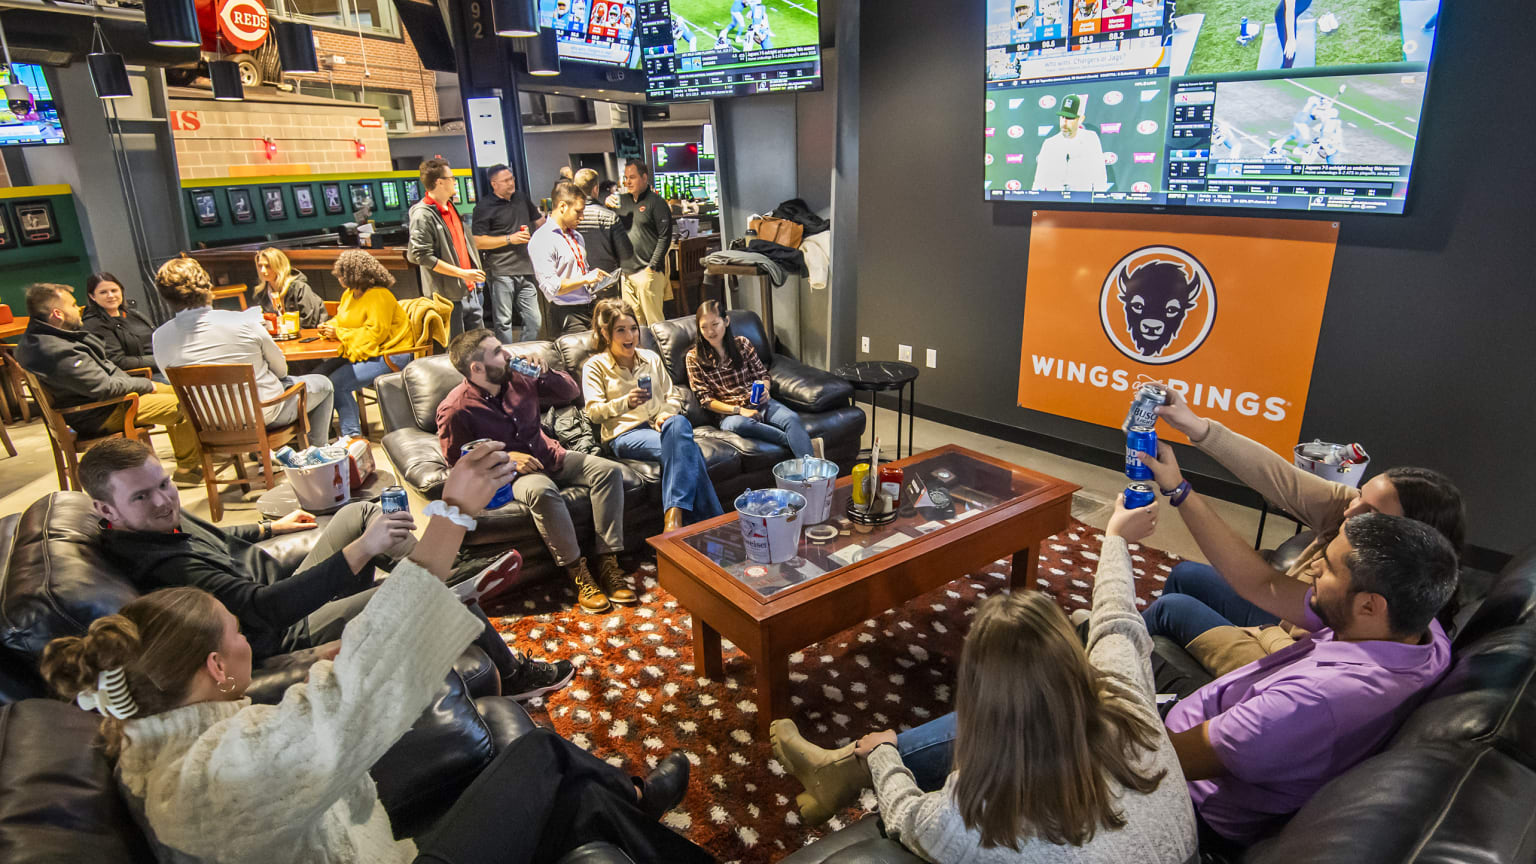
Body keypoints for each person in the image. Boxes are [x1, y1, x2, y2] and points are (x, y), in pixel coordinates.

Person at [43, 446, 710, 864]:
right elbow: (365, 684)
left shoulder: (154, 735)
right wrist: (450, 513)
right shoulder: (225, 773)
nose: (243, 637)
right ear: (218, 668)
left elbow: (303, 711)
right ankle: (631, 795)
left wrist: (318, 659)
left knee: (572, 793)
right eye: (234, 635)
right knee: (538, 754)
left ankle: (630, 801)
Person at [771, 496, 1198, 863]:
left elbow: (907, 815)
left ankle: (844, 770)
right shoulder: (1131, 707)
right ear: (1074, 660)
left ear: (976, 697)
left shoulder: (976, 820)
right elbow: (1116, 617)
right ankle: (838, 771)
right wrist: (1116, 538)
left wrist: (882, 753)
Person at [1139, 441, 1457, 849]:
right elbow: (1261, 582)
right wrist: (1179, 488)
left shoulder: (1309, 703)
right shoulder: (1418, 630)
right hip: (1207, 721)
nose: (1313, 570)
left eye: (1326, 572)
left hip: (1185, 798)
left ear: (1368, 605)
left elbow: (1157, 762)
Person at [79, 437, 572, 700]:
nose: (165, 500)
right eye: (143, 496)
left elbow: (218, 535)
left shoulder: (156, 519)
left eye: (164, 484)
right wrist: (360, 552)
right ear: (107, 511)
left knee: (358, 512)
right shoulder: (163, 568)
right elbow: (261, 610)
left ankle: (447, 563)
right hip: (280, 626)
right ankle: (512, 670)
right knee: (410, 583)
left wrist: (270, 528)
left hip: (273, 580)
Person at [1140, 384, 1465, 678]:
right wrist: (1196, 425)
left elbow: (1265, 587)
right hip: (1285, 622)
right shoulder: (1352, 515)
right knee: (1186, 575)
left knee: (1173, 608)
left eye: (1372, 513)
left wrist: (1179, 490)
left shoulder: (1371, 595)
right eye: (1359, 495)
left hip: (1288, 656)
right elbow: (1277, 476)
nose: (1351, 510)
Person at [438, 328, 632, 614]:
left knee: (609, 472)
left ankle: (607, 561)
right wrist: (505, 458)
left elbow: (571, 392)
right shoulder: (455, 409)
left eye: (501, 347)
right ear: (476, 368)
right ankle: (578, 573)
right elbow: (457, 464)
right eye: (496, 353)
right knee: (542, 491)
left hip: (550, 454)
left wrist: (545, 372)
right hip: (516, 475)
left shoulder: (519, 375)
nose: (506, 354)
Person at [15, 282, 202, 483]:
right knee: (185, 404)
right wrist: (147, 385)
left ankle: (199, 451)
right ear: (57, 314)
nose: (79, 309)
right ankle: (188, 470)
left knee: (184, 392)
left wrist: (141, 385)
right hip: (101, 412)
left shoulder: (39, 338)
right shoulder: (55, 350)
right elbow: (103, 388)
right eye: (72, 305)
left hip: (102, 403)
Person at [151, 257, 335, 448]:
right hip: (264, 414)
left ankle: (270, 457)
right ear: (208, 287)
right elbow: (281, 370)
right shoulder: (243, 322)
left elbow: (174, 383)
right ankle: (317, 455)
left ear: (165, 297)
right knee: (323, 384)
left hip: (209, 423)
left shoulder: (160, 337)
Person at [583, 299, 721, 532]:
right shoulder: (595, 366)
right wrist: (625, 402)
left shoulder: (651, 358)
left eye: (634, 328)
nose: (630, 336)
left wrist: (664, 415)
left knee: (678, 425)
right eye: (621, 330)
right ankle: (712, 525)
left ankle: (676, 523)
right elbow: (594, 413)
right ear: (606, 333)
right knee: (690, 451)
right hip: (625, 435)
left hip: (662, 429)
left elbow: (673, 397)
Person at [686, 300, 814, 459]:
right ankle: (797, 445)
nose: (710, 331)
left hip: (759, 402)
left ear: (726, 321)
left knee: (792, 419)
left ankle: (811, 476)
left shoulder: (742, 344)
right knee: (741, 425)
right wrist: (739, 410)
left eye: (715, 324)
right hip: (730, 415)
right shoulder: (694, 357)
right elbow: (705, 400)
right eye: (703, 327)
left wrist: (765, 390)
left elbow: (763, 375)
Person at [313, 250, 417, 439]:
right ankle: (320, 435)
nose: (338, 278)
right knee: (318, 376)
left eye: (342, 273)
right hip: (364, 350)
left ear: (355, 274)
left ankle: (352, 437)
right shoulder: (349, 295)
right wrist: (329, 326)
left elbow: (375, 333)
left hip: (390, 354)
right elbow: (342, 320)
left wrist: (339, 333)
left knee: (336, 384)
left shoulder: (380, 295)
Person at [408, 157, 487, 338]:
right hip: (447, 296)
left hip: (469, 289)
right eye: (451, 178)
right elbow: (420, 255)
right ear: (440, 182)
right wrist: (461, 273)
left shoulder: (450, 206)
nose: (454, 182)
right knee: (455, 350)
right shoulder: (422, 214)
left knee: (480, 345)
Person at [472, 164, 545, 343]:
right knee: (503, 322)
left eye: (511, 179)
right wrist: (509, 239)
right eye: (505, 181)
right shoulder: (484, 207)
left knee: (534, 320)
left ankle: (525, 354)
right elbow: (477, 241)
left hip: (525, 269)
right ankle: (505, 360)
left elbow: (540, 222)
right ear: (494, 184)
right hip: (501, 271)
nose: (511, 183)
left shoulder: (521, 198)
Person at [530, 180, 609, 336]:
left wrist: (594, 282)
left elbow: (579, 272)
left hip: (589, 307)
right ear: (562, 207)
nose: (582, 216)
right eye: (578, 211)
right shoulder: (542, 239)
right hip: (566, 313)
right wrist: (586, 279)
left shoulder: (577, 236)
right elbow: (553, 287)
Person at [609, 159, 672, 327]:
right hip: (626, 272)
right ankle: (642, 353)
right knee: (633, 324)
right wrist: (607, 202)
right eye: (625, 177)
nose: (628, 181)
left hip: (647, 271)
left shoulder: (656, 203)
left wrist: (652, 266)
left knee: (655, 324)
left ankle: (661, 353)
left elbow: (665, 237)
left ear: (644, 178)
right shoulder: (621, 201)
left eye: (632, 177)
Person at [81, 272, 160, 378]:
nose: (111, 296)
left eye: (114, 290)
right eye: (103, 292)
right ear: (92, 296)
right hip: (141, 376)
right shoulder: (94, 324)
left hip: (162, 365)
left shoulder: (133, 314)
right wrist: (161, 359)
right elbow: (119, 362)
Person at [573, 168, 635, 292]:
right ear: (596, 188)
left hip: (576, 284)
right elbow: (626, 253)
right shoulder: (608, 216)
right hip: (605, 282)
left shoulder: (567, 218)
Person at [1032, 93, 1108, 192]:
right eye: (1062, 117)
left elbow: (1100, 179)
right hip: (1054, 202)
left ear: (1081, 119)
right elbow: (1038, 183)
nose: (1064, 123)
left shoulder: (1091, 139)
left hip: (1082, 203)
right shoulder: (1049, 144)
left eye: (1070, 118)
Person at [250, 247, 326, 329]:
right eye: (260, 266)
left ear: (279, 266)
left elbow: (309, 322)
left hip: (307, 335)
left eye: (268, 266)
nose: (262, 271)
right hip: (277, 337)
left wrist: (283, 327)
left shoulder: (299, 288)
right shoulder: (261, 293)